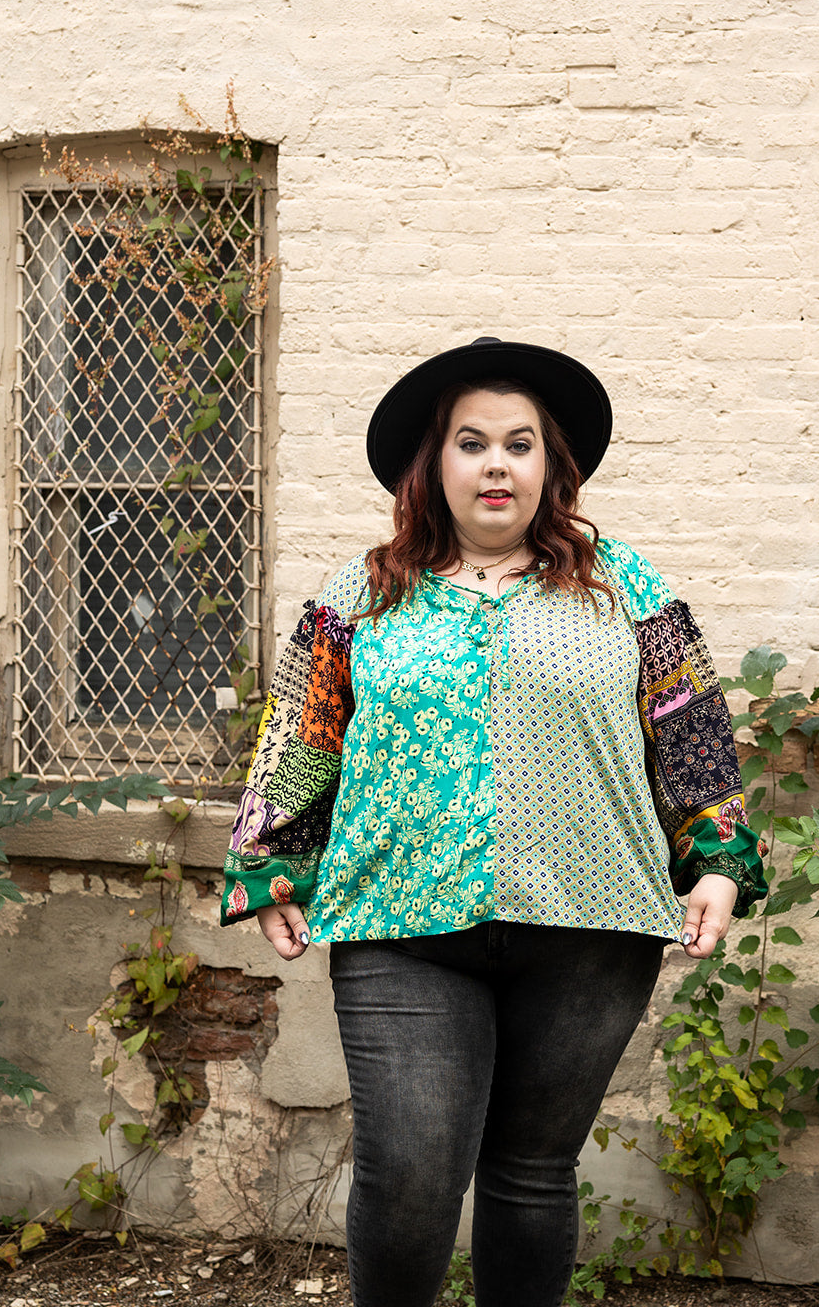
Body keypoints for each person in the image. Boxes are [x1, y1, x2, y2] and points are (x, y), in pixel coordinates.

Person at [221, 336, 767, 1307]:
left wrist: (717, 860)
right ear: (433, 464)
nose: (495, 465)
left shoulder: (625, 588)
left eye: (519, 444)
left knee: (530, 1172)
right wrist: (270, 863)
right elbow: (303, 729)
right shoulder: (361, 593)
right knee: (410, 1177)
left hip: (590, 927)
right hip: (399, 923)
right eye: (470, 443)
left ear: (550, 466)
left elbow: (690, 728)